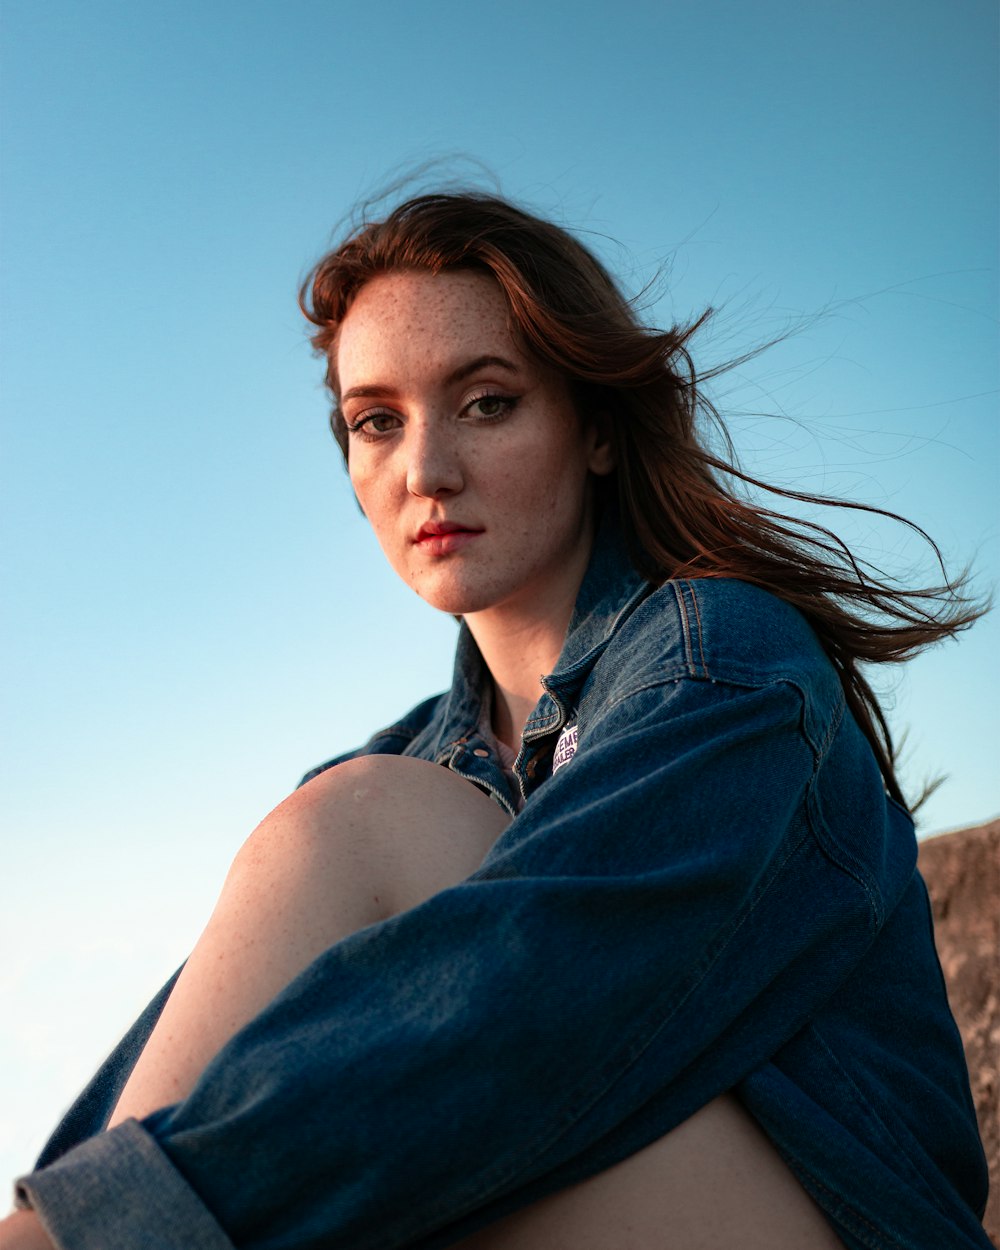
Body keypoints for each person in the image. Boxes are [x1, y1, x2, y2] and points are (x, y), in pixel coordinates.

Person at [3, 192, 992, 1250]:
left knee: (355, 830)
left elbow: (541, 1007)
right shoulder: (408, 756)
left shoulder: (721, 660)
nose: (425, 470)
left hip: (832, 1221)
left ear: (597, 430)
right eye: (376, 421)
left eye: (485, 402)